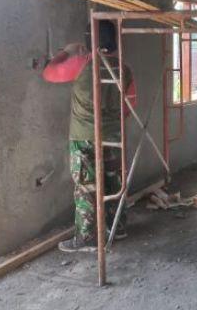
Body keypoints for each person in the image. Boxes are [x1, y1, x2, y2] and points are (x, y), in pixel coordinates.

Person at [43, 20, 134, 253]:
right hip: (114, 137)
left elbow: (49, 73)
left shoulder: (82, 63)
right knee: (114, 182)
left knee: (87, 186)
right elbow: (130, 106)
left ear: (90, 39)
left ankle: (88, 238)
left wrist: (67, 51)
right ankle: (118, 227)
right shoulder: (124, 69)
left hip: (84, 137)